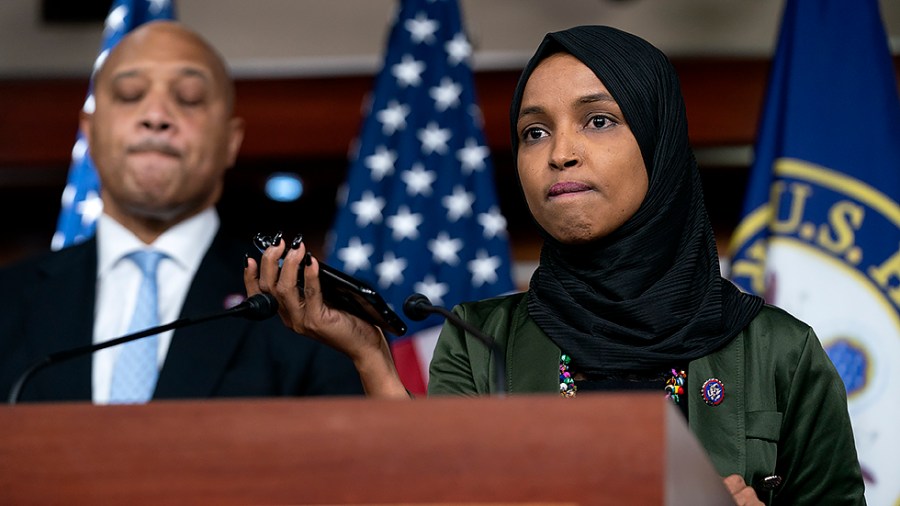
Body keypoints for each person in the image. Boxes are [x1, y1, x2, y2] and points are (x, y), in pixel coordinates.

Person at [245, 26, 865, 505]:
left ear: (661, 142)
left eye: (598, 121)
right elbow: (438, 492)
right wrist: (372, 359)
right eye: (534, 132)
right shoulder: (477, 338)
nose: (561, 153)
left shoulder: (781, 352)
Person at [0, 20, 364, 403]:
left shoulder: (308, 310)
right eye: (129, 94)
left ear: (231, 140)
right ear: (88, 133)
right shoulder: (7, 300)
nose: (156, 116)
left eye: (189, 98)